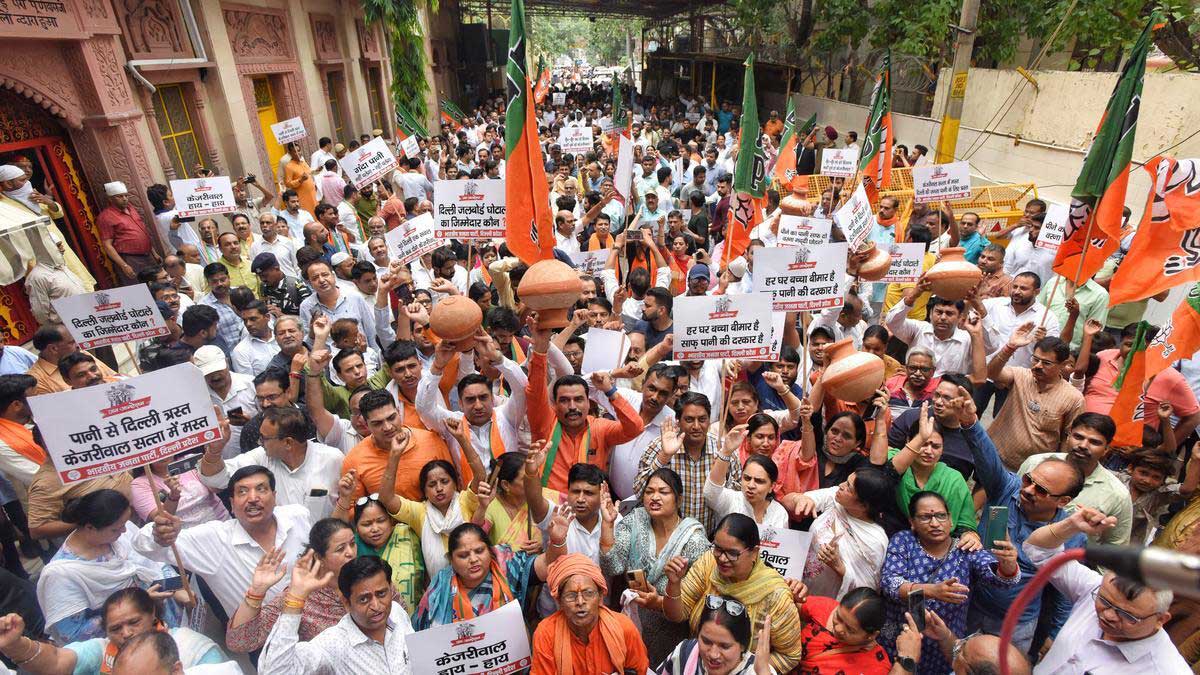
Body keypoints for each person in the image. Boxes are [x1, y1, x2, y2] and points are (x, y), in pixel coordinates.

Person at [951, 388, 1087, 652]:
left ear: (1063, 501)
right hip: (969, 606)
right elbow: (987, 458)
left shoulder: (1070, 534)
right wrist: (970, 422)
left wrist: (1056, 634)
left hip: (1015, 624)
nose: (1028, 490)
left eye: (1041, 490)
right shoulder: (1006, 489)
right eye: (1029, 480)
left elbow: (1065, 591)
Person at [1023, 505, 1191, 673]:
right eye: (1103, 600)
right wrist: (1072, 525)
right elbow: (1039, 550)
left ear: (1161, 619)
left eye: (1127, 615)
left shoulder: (1167, 670)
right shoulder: (1092, 587)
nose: (1109, 615)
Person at [133, 466, 312, 617]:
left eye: (261, 489)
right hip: (265, 641)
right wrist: (159, 532)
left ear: (274, 496)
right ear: (232, 504)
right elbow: (142, 544)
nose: (252, 498)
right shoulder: (213, 540)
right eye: (242, 491)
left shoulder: (297, 515)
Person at [877, 491, 1020, 674]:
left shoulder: (965, 549)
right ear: (912, 523)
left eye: (941, 516)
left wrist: (1007, 564)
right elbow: (890, 583)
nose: (935, 523)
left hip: (943, 642)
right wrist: (932, 590)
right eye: (925, 517)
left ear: (951, 520)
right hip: (901, 638)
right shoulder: (904, 541)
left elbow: (1001, 581)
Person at [36, 490, 188, 644]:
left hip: (166, 618)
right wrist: (137, 604)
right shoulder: (60, 574)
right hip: (129, 644)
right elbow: (73, 634)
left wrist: (178, 588)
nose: (124, 531)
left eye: (124, 524)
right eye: (116, 528)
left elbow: (154, 563)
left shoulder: (120, 533)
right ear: (90, 527)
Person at [663, 513, 803, 672]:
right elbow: (677, 614)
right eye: (717, 548)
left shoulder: (775, 595)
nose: (722, 558)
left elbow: (790, 655)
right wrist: (673, 584)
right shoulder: (708, 563)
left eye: (732, 553)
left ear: (754, 552)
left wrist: (748, 669)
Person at [600, 467, 711, 663]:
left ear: (679, 499)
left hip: (671, 629)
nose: (655, 497)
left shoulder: (694, 541)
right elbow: (613, 567)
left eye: (663, 492)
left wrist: (659, 602)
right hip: (631, 621)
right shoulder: (635, 521)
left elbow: (697, 600)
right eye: (649, 492)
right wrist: (608, 526)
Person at [525, 316, 643, 491]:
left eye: (578, 399)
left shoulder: (600, 429)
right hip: (550, 510)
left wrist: (610, 391)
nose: (572, 406)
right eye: (564, 400)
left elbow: (635, 427)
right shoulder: (545, 424)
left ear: (589, 403)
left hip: (590, 509)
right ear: (554, 405)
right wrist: (540, 351)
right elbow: (535, 392)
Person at [0, 587, 228, 674]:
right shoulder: (101, 651)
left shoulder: (194, 649)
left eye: (134, 622)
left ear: (153, 616)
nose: (126, 633)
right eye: (116, 628)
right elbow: (57, 660)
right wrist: (16, 645)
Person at [257, 556, 415, 674]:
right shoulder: (334, 643)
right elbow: (276, 672)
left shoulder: (396, 611)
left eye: (381, 594)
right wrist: (294, 600)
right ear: (347, 603)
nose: (376, 606)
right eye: (364, 599)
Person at [225, 519, 356, 653]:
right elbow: (239, 642)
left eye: (352, 544)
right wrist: (256, 591)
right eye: (341, 549)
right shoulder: (299, 595)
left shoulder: (364, 575)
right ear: (319, 557)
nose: (351, 552)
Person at [412, 516, 565, 629]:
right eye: (463, 555)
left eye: (479, 551)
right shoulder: (441, 584)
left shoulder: (507, 566)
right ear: (451, 560)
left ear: (490, 551)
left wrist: (557, 541)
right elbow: (420, 633)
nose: (473, 559)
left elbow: (549, 565)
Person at [199, 406, 344, 522]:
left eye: (264, 438)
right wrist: (215, 450)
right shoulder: (261, 457)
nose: (259, 442)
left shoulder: (333, 459)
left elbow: (350, 503)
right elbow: (216, 479)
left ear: (288, 442)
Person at [790, 467, 901, 600]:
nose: (841, 486)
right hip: (797, 586)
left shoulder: (875, 540)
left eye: (849, 487)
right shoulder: (835, 498)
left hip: (828, 604)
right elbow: (789, 500)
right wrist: (799, 499)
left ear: (863, 506)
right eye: (846, 481)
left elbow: (867, 592)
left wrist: (838, 565)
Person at [636, 393, 741, 532]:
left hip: (710, 540)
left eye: (702, 419)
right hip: (665, 537)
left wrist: (720, 472)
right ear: (678, 421)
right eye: (689, 420)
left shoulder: (725, 450)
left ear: (710, 420)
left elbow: (736, 501)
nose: (696, 426)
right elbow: (639, 492)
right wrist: (664, 456)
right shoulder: (658, 447)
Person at [530, 553, 650, 675]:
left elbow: (640, 670)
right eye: (571, 595)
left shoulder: (624, 628)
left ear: (600, 597)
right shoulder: (546, 634)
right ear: (559, 601)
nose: (580, 602)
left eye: (588, 593)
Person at [986, 332, 1084, 469]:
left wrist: (1060, 468)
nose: (1038, 365)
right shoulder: (1021, 376)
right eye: (1035, 359)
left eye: (1046, 363)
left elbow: (1068, 439)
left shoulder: (1073, 398)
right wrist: (1009, 348)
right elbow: (991, 373)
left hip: (1033, 469)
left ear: (1063, 365)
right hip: (995, 456)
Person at [653, 594, 772, 675]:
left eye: (724, 646)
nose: (713, 655)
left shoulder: (758, 671)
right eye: (706, 641)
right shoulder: (685, 653)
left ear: (743, 645)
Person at [349, 494, 425, 611]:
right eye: (367, 524)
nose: (375, 529)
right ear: (356, 527)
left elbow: (425, 576)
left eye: (380, 521)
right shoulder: (352, 547)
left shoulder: (407, 535)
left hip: (414, 617)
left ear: (390, 520)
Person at [704, 427, 789, 528]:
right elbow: (710, 493)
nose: (751, 485)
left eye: (759, 481)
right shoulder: (732, 500)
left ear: (772, 486)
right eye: (747, 478)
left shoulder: (779, 513)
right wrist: (726, 452)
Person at [796, 588, 893, 675]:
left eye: (850, 630)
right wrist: (792, 592)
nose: (838, 629)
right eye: (838, 617)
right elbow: (792, 607)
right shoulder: (825, 607)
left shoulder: (877, 666)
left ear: (871, 635)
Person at [25, 326, 117, 395]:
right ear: (53, 348)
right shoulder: (35, 381)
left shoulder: (83, 355)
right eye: (72, 342)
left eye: (93, 369)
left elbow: (114, 378)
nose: (78, 345)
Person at [96, 182, 156, 283]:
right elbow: (107, 245)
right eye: (119, 196)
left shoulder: (131, 209)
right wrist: (124, 265)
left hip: (148, 255)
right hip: (130, 259)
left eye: (126, 195)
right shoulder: (106, 217)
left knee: (158, 286)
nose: (124, 199)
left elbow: (142, 231)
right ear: (110, 199)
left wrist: (154, 252)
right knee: (141, 289)